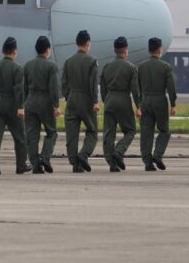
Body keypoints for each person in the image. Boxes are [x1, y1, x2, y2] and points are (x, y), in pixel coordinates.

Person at [0, 36, 29, 175]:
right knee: (19, 136)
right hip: (12, 104)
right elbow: (18, 90)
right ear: (14, 52)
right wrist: (20, 107)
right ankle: (21, 165)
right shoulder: (18, 69)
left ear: (2, 51)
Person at [100, 36, 141, 172]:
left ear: (114, 50)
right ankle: (119, 151)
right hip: (124, 99)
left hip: (110, 99)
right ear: (126, 50)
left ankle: (112, 163)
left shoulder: (106, 66)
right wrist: (138, 106)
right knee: (130, 130)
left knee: (109, 133)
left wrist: (107, 101)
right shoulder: (131, 68)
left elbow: (103, 88)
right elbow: (135, 90)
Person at [61, 29, 99, 173]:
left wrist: (68, 96)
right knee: (93, 131)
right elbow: (93, 84)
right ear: (88, 43)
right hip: (86, 99)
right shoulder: (92, 61)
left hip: (71, 99)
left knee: (72, 133)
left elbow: (63, 84)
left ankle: (75, 163)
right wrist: (95, 102)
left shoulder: (68, 61)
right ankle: (83, 155)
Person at [137, 37, 177, 171]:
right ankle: (158, 155)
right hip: (160, 100)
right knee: (164, 130)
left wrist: (138, 104)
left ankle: (148, 162)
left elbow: (137, 88)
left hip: (145, 100)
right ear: (160, 50)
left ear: (149, 50)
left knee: (146, 132)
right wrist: (173, 104)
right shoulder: (166, 67)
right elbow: (171, 87)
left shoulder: (141, 67)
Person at [23, 35, 60, 174]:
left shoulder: (27, 65)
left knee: (32, 135)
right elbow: (54, 88)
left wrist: (23, 104)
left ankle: (35, 164)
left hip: (30, 101)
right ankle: (45, 157)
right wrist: (56, 105)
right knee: (51, 132)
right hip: (45, 102)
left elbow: (24, 88)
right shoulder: (51, 66)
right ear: (48, 49)